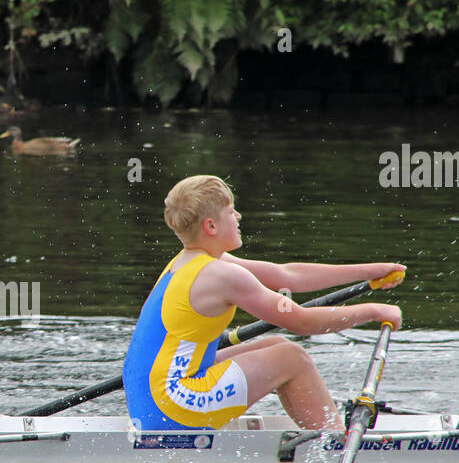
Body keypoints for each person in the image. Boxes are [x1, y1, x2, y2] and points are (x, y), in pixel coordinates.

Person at [123, 175, 404, 432]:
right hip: (171, 407)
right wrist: (374, 311)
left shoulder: (191, 261)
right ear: (211, 226)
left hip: (150, 399)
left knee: (277, 347)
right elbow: (302, 321)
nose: (238, 217)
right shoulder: (221, 274)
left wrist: (370, 271)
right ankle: (332, 444)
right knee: (290, 358)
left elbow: (286, 275)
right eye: (231, 211)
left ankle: (318, 433)